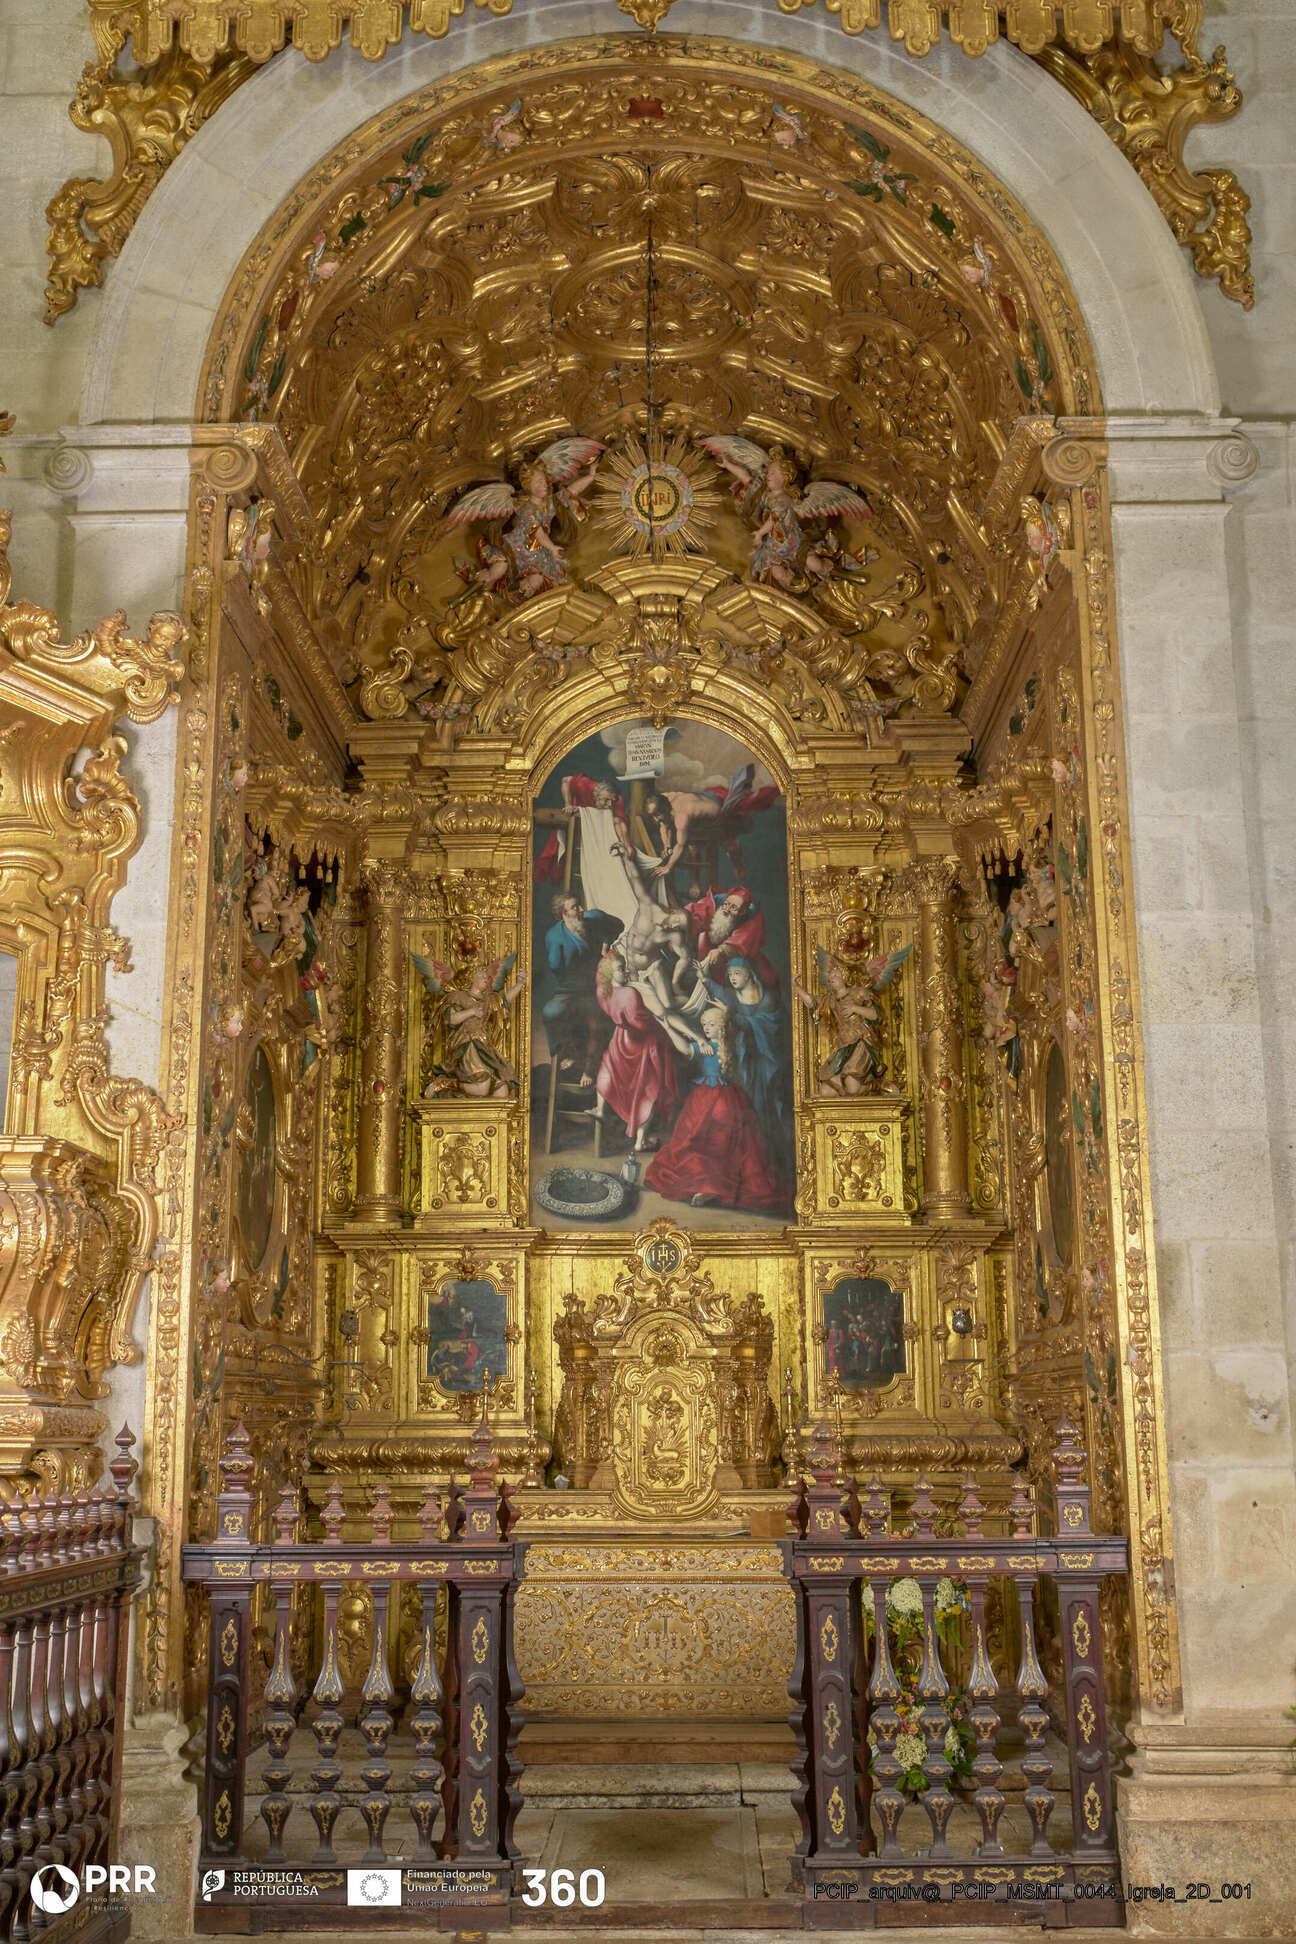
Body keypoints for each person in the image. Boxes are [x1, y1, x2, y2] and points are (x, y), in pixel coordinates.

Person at [643, 1016, 785, 1215]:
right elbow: (688, 1048)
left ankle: (709, 1187)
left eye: (711, 1024)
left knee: (704, 1144)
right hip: (726, 1098)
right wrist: (669, 1027)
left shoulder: (712, 1046)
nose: (706, 1028)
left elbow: (686, 1049)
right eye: (704, 1024)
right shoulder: (728, 1046)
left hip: (710, 1100)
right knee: (717, 1146)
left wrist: (668, 1028)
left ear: (723, 1027)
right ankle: (707, 1187)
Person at [709, 957, 792, 1186]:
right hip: (744, 1062)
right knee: (744, 1110)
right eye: (730, 974)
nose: (732, 978)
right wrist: (703, 978)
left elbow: (764, 1026)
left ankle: (770, 1166)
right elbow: (719, 991)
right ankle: (748, 1168)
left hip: (767, 1063)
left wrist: (730, 1014)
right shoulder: (733, 996)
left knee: (765, 1109)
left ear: (749, 973)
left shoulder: (768, 998)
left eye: (736, 973)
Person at [590, 950, 683, 1154]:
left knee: (608, 1065)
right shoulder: (630, 993)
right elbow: (641, 1024)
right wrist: (656, 1017)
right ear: (609, 973)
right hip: (642, 1042)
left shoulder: (602, 992)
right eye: (620, 969)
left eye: (624, 968)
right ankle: (640, 1141)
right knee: (649, 1089)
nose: (624, 972)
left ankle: (600, 1108)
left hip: (620, 1040)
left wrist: (607, 957)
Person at [541, 894, 622, 1085]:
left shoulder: (593, 918)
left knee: (596, 1022)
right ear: (563, 914)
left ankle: (589, 1070)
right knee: (551, 1013)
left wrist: (605, 946)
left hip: (597, 981)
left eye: (579, 906)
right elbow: (556, 967)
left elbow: (617, 926)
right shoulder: (554, 937)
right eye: (575, 907)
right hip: (570, 987)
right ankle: (565, 1054)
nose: (581, 910)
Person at [686, 885, 780, 990]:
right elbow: (691, 915)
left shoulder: (752, 921)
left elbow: (741, 941)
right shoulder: (714, 906)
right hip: (708, 953)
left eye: (733, 907)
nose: (727, 909)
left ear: (743, 912)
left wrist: (720, 951)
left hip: (736, 958)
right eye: (726, 904)